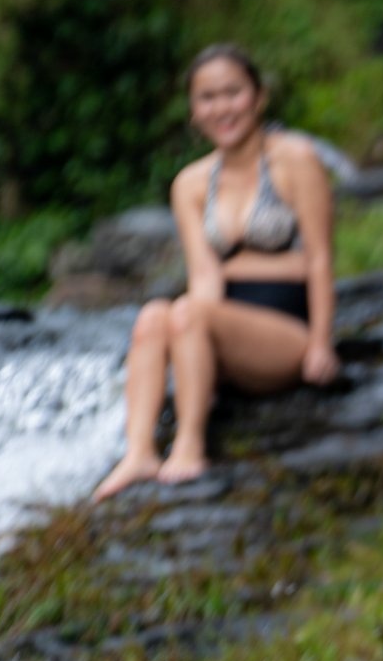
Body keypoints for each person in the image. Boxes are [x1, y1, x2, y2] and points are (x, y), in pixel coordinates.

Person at [94, 43, 342, 500]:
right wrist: (188, 338)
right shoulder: (190, 184)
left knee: (189, 313)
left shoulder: (296, 161)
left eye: (233, 93)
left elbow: (320, 257)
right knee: (155, 315)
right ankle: (140, 453)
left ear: (258, 97)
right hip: (222, 328)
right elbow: (205, 275)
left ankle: (190, 445)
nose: (222, 107)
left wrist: (322, 344)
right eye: (208, 98)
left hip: (287, 332)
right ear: (194, 111)